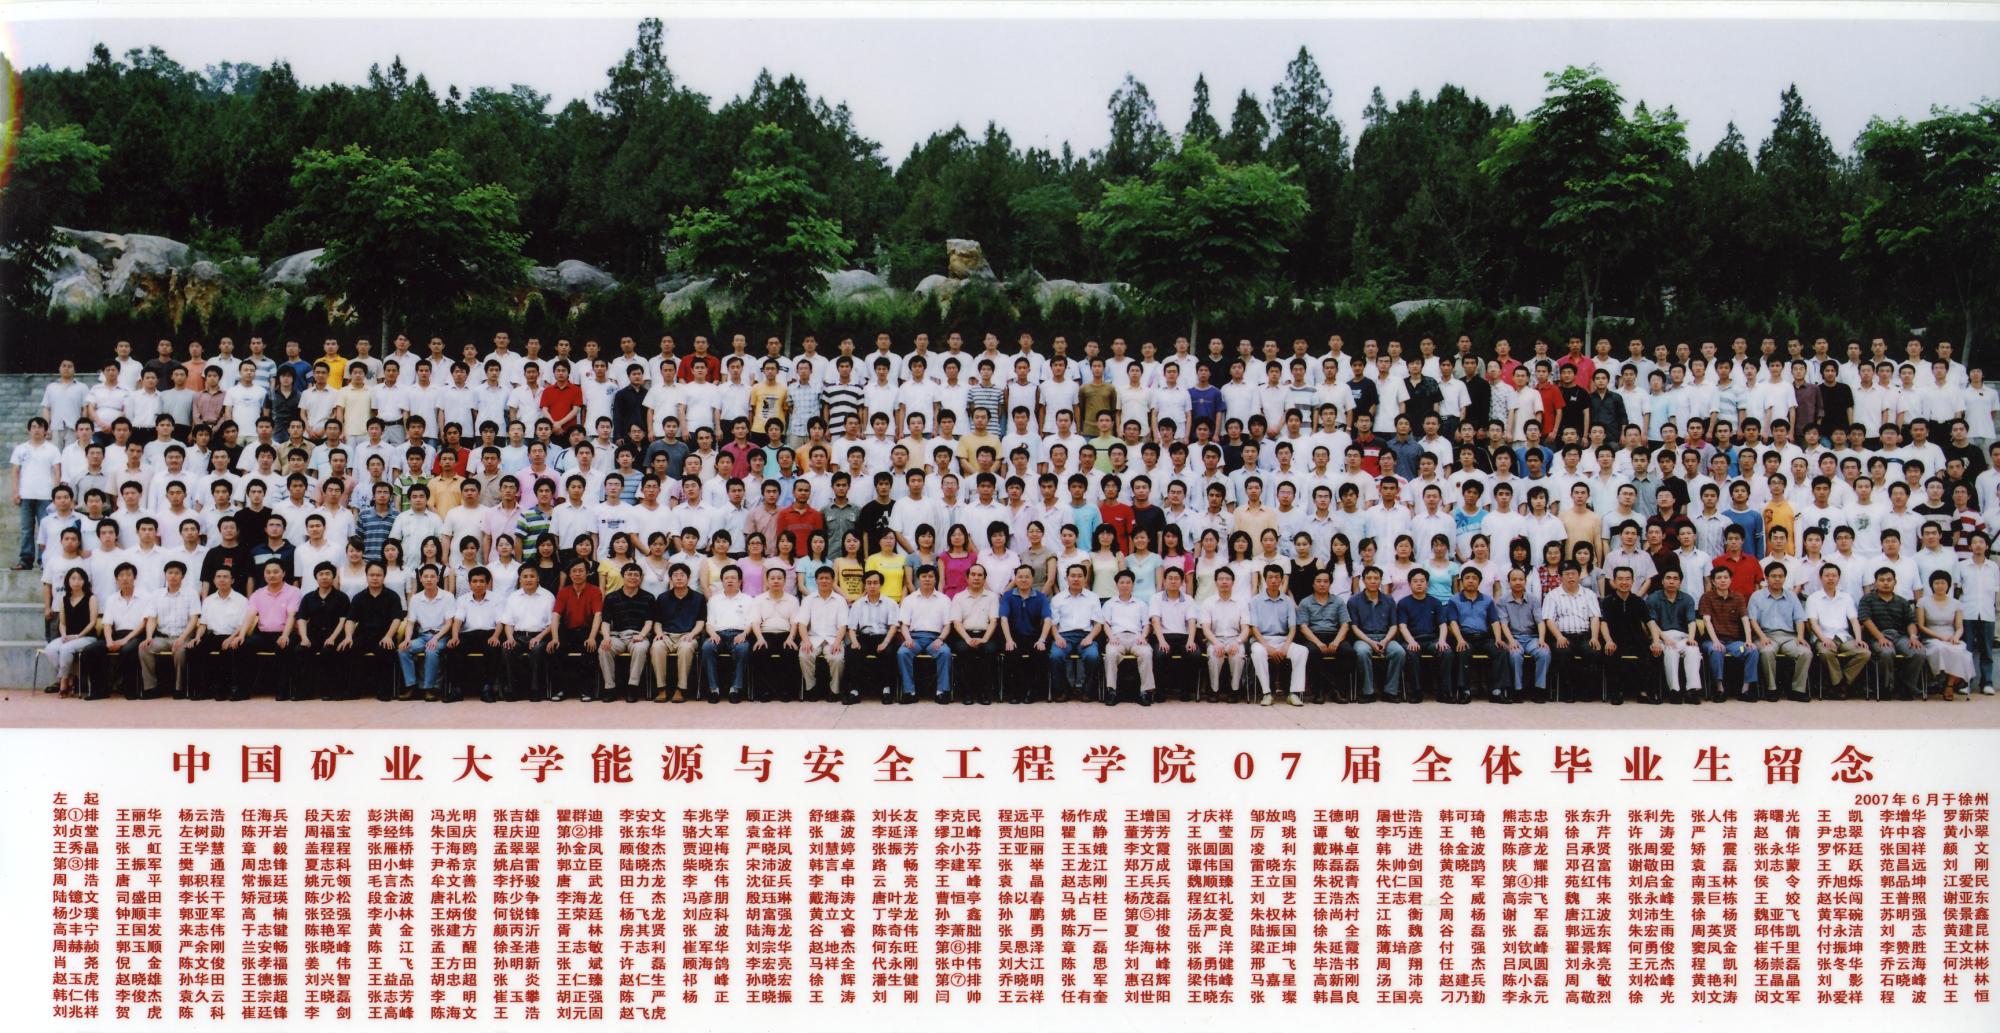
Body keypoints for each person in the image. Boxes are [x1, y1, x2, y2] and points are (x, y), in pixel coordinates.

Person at [1858, 566, 1926, 700]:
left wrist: (1913, 636)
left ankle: (1906, 687)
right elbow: (1866, 620)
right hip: (1877, 636)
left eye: (1889, 580)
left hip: (1900, 636)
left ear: (1895, 582)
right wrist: (1880, 637)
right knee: (1886, 652)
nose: (1885, 583)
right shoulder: (1867, 599)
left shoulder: (1902, 601)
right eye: (1881, 580)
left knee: (1919, 652)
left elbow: (1911, 621)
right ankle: (1885, 688)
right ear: (1875, 583)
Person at [1747, 562, 1811, 701]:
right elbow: (1752, 620)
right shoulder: (1757, 596)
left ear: (1785, 578)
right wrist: (1762, 637)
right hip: (1766, 635)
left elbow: (1800, 619)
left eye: (1781, 576)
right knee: (1767, 651)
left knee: (1805, 652)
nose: (1777, 579)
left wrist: (1800, 637)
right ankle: (1772, 689)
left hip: (1789, 636)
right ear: (1766, 578)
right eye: (1773, 576)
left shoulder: (1792, 596)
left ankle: (1798, 690)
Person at [1805, 563, 1871, 698]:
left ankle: (1841, 683)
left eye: (1834, 575)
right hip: (1823, 636)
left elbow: (1854, 620)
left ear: (1838, 578)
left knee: (1864, 653)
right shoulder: (1813, 598)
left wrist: (1858, 639)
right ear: (1821, 578)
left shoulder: (1846, 597)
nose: (1830, 578)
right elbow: (1813, 623)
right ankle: (1840, 685)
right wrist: (1824, 639)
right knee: (1826, 652)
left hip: (1844, 637)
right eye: (1827, 575)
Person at [597, 562, 657, 703]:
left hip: (638, 635)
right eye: (629, 574)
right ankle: (610, 688)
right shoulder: (611, 597)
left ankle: (632, 687)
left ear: (641, 578)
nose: (632, 577)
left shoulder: (648, 597)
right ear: (622, 576)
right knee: (604, 648)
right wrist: (606, 637)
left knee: (640, 648)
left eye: (636, 575)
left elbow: (649, 622)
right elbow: (605, 622)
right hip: (617, 636)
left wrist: (641, 635)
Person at [497, 564, 555, 701]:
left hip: (540, 636)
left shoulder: (548, 596)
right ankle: (512, 690)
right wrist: (510, 638)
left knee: (537, 650)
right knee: (507, 648)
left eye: (532, 576)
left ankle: (535, 690)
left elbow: (552, 623)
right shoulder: (513, 597)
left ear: (538, 578)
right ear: (520, 579)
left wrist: (539, 637)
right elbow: (509, 623)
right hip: (518, 636)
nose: (528, 579)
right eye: (525, 577)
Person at [1346, 565, 1405, 701]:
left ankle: (1390, 691)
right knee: (1362, 652)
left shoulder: (1389, 600)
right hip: (1363, 638)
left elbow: (1394, 626)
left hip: (1386, 637)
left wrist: (1385, 640)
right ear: (1363, 580)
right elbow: (1354, 627)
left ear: (1381, 580)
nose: (1373, 581)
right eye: (1369, 578)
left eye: (1376, 578)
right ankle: (1368, 692)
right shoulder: (1354, 601)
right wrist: (1370, 642)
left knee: (1399, 652)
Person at [1048, 563, 1105, 700]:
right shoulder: (1057, 598)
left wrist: (1090, 637)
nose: (1076, 579)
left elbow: (1098, 624)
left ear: (1085, 578)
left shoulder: (1093, 597)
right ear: (1066, 578)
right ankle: (1063, 690)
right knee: (1055, 656)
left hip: (1086, 635)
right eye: (1072, 576)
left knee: (1093, 656)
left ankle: (1087, 691)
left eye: (1080, 576)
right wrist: (1057, 637)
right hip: (1064, 636)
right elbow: (1053, 624)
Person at [1099, 569, 1155, 706]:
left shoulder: (1141, 604)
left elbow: (1146, 624)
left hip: (1137, 637)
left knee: (1147, 652)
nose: (1125, 585)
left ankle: (1145, 692)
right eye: (1122, 582)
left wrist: (1143, 636)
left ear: (1133, 585)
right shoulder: (1109, 604)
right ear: (1116, 585)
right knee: (1111, 653)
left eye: (1128, 582)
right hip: (1117, 638)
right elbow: (1105, 624)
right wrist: (1111, 637)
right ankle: (1112, 691)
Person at [947, 563, 1000, 704]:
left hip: (986, 635)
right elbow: (956, 622)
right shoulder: (958, 597)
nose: (976, 578)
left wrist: (985, 639)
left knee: (989, 650)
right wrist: (967, 638)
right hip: (964, 635)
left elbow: (993, 621)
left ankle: (984, 693)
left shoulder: (992, 597)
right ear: (967, 578)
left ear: (984, 578)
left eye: (980, 575)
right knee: (964, 650)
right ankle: (967, 693)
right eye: (973, 574)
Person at [42, 568, 99, 698]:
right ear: (68, 581)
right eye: (73, 578)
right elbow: (62, 623)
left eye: (80, 578)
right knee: (50, 649)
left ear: (85, 581)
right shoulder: (64, 599)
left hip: (87, 637)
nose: (76, 582)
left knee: (65, 649)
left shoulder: (91, 598)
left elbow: (92, 622)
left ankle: (63, 681)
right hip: (68, 636)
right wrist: (63, 635)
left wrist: (78, 636)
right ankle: (70, 676)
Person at [797, 566, 850, 700]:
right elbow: (802, 624)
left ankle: (835, 690)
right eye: (821, 578)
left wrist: (837, 642)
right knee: (804, 654)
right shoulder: (808, 599)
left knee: (837, 658)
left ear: (832, 581)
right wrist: (806, 641)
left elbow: (843, 625)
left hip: (834, 639)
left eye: (827, 578)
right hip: (813, 638)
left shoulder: (840, 600)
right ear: (816, 581)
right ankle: (811, 688)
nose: (824, 581)